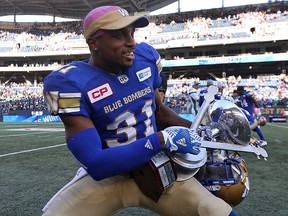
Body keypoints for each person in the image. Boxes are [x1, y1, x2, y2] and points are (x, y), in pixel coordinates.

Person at [42, 6, 237, 216]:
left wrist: (202, 133)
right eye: (119, 35)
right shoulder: (68, 82)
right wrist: (160, 140)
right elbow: (96, 164)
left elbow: (159, 112)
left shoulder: (145, 58)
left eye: (132, 33)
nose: (131, 42)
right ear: (94, 43)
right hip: (108, 178)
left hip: (157, 171)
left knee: (216, 211)